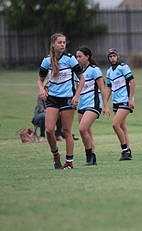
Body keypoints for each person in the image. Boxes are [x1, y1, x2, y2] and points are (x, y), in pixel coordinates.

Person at [37, 32, 85, 169]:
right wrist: (41, 89)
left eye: (64, 42)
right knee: (48, 130)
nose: (63, 45)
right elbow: (39, 80)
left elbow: (82, 79)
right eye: (60, 42)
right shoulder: (47, 61)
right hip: (52, 98)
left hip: (67, 99)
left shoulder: (70, 59)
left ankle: (69, 162)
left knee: (66, 131)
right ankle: (56, 155)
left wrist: (76, 96)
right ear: (53, 44)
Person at [75, 46, 110, 165]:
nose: (78, 59)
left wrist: (105, 106)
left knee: (82, 128)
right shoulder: (78, 72)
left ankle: (89, 156)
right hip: (81, 105)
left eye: (80, 56)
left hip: (93, 104)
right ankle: (92, 157)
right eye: (77, 56)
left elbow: (102, 88)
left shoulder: (94, 70)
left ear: (87, 56)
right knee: (86, 132)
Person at [106, 48, 136, 161]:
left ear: (117, 56)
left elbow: (132, 82)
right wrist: (105, 104)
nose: (112, 58)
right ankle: (128, 151)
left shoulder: (123, 67)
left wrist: (131, 99)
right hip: (116, 102)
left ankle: (125, 150)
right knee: (122, 127)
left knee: (115, 125)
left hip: (125, 101)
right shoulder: (109, 71)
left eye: (114, 56)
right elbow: (108, 87)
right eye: (110, 56)